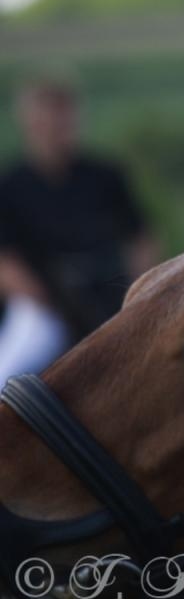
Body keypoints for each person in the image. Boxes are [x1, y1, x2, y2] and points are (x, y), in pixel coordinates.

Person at [0, 76, 158, 379]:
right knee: (13, 364)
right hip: (44, 304)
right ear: (30, 123)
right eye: (46, 119)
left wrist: (137, 289)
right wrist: (46, 300)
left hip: (107, 292)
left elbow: (140, 236)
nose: (56, 129)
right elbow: (5, 261)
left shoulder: (104, 175)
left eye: (63, 118)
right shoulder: (10, 185)